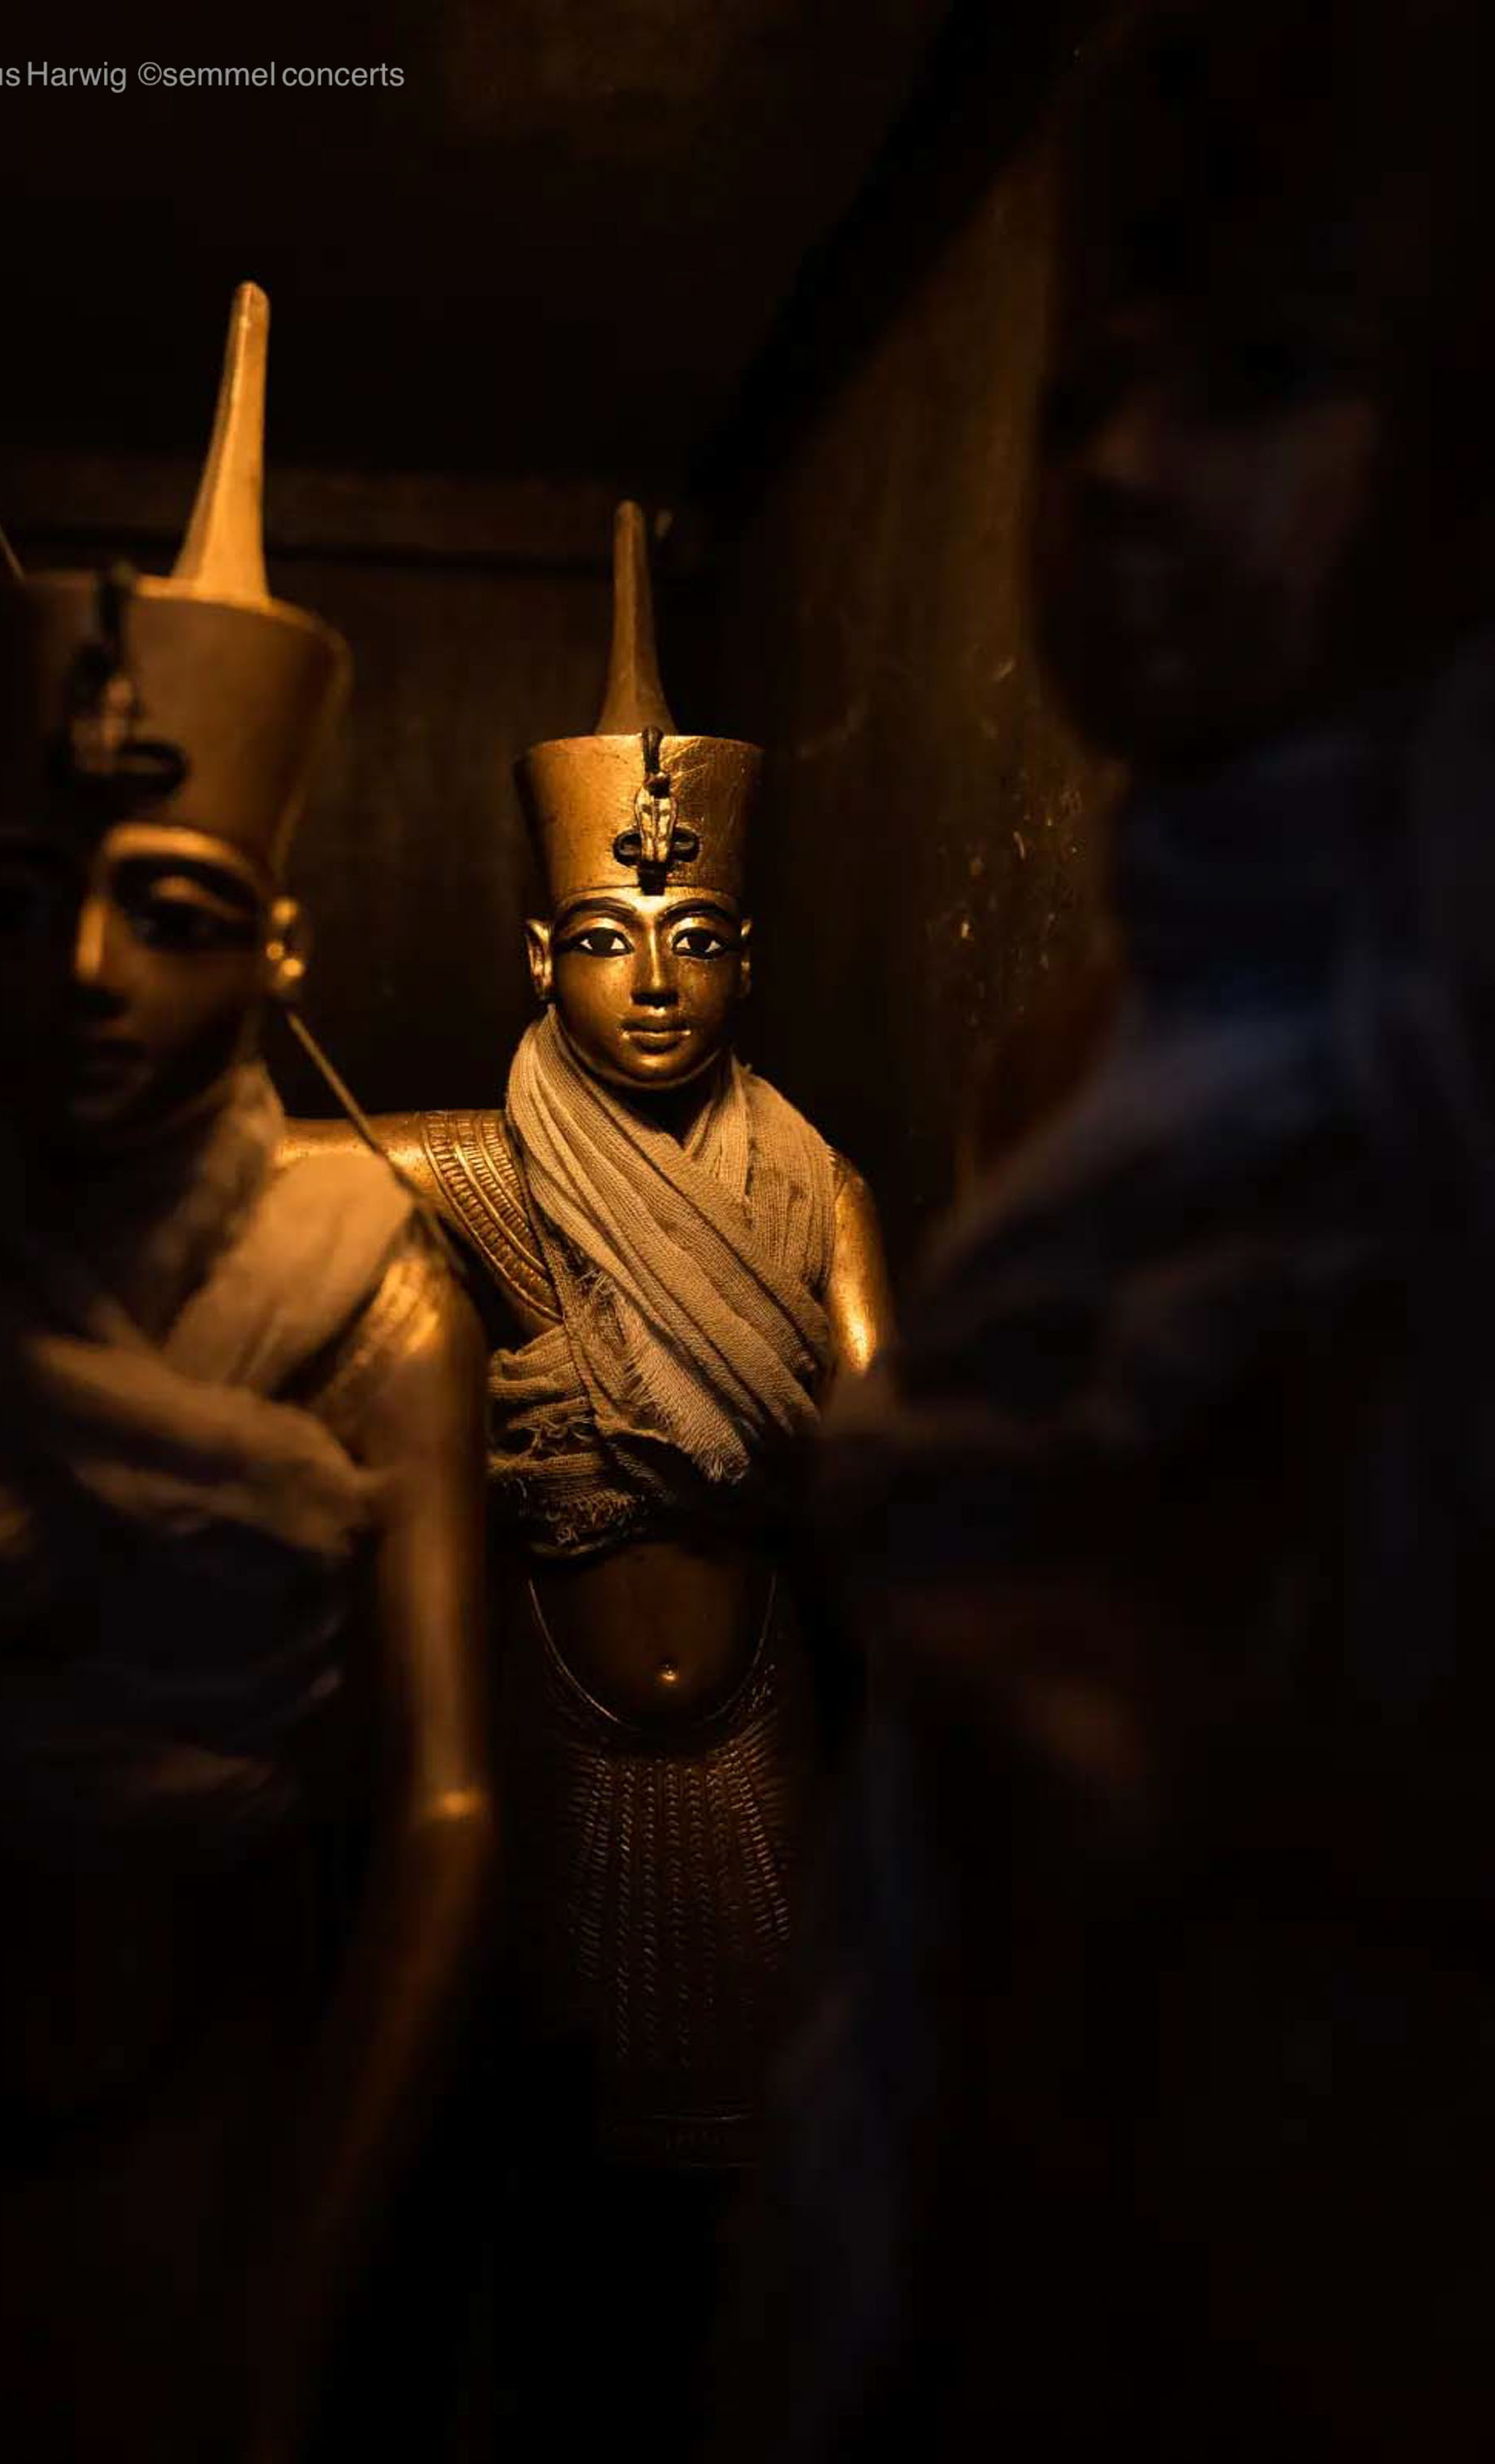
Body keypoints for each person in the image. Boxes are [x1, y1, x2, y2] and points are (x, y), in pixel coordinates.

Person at [722, 6, 1494, 2457]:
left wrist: (1240, 1793)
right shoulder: (1082, 1062)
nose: (1130, 477)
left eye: (1261, 381)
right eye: (1078, 403)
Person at [0, 282, 492, 2463]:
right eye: (22, 897)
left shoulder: (374, 1298)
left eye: (179, 908)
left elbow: (444, 1815)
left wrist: (290, 2302)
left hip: (222, 2106)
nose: (88, 970)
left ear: (281, 944)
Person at [286, 501, 892, 2458]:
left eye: (692, 940)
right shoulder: (477, 1173)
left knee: (749, 2201)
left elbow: (889, 1462)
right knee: (532, 2186)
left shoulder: (810, 1186)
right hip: (545, 1725)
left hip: (757, 1720)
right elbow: (262, 1175)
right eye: (611, 941)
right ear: (542, 951)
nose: (652, 983)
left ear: (746, 957)